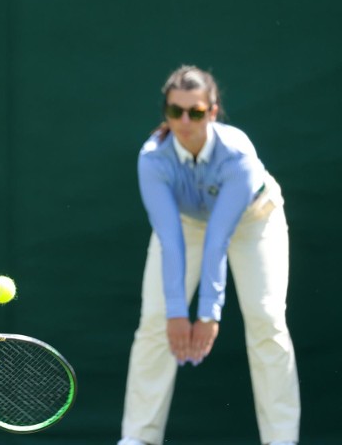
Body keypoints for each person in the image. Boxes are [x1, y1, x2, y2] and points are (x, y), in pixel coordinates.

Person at [117, 65, 300, 445]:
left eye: (196, 112)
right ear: (165, 113)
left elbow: (219, 237)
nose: (185, 121)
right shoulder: (152, 159)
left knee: (267, 319)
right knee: (154, 323)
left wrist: (208, 314)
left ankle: (281, 439)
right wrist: (174, 312)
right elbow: (169, 238)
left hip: (254, 220)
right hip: (185, 226)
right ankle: (138, 437)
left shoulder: (238, 155)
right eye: (175, 112)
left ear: (213, 112)